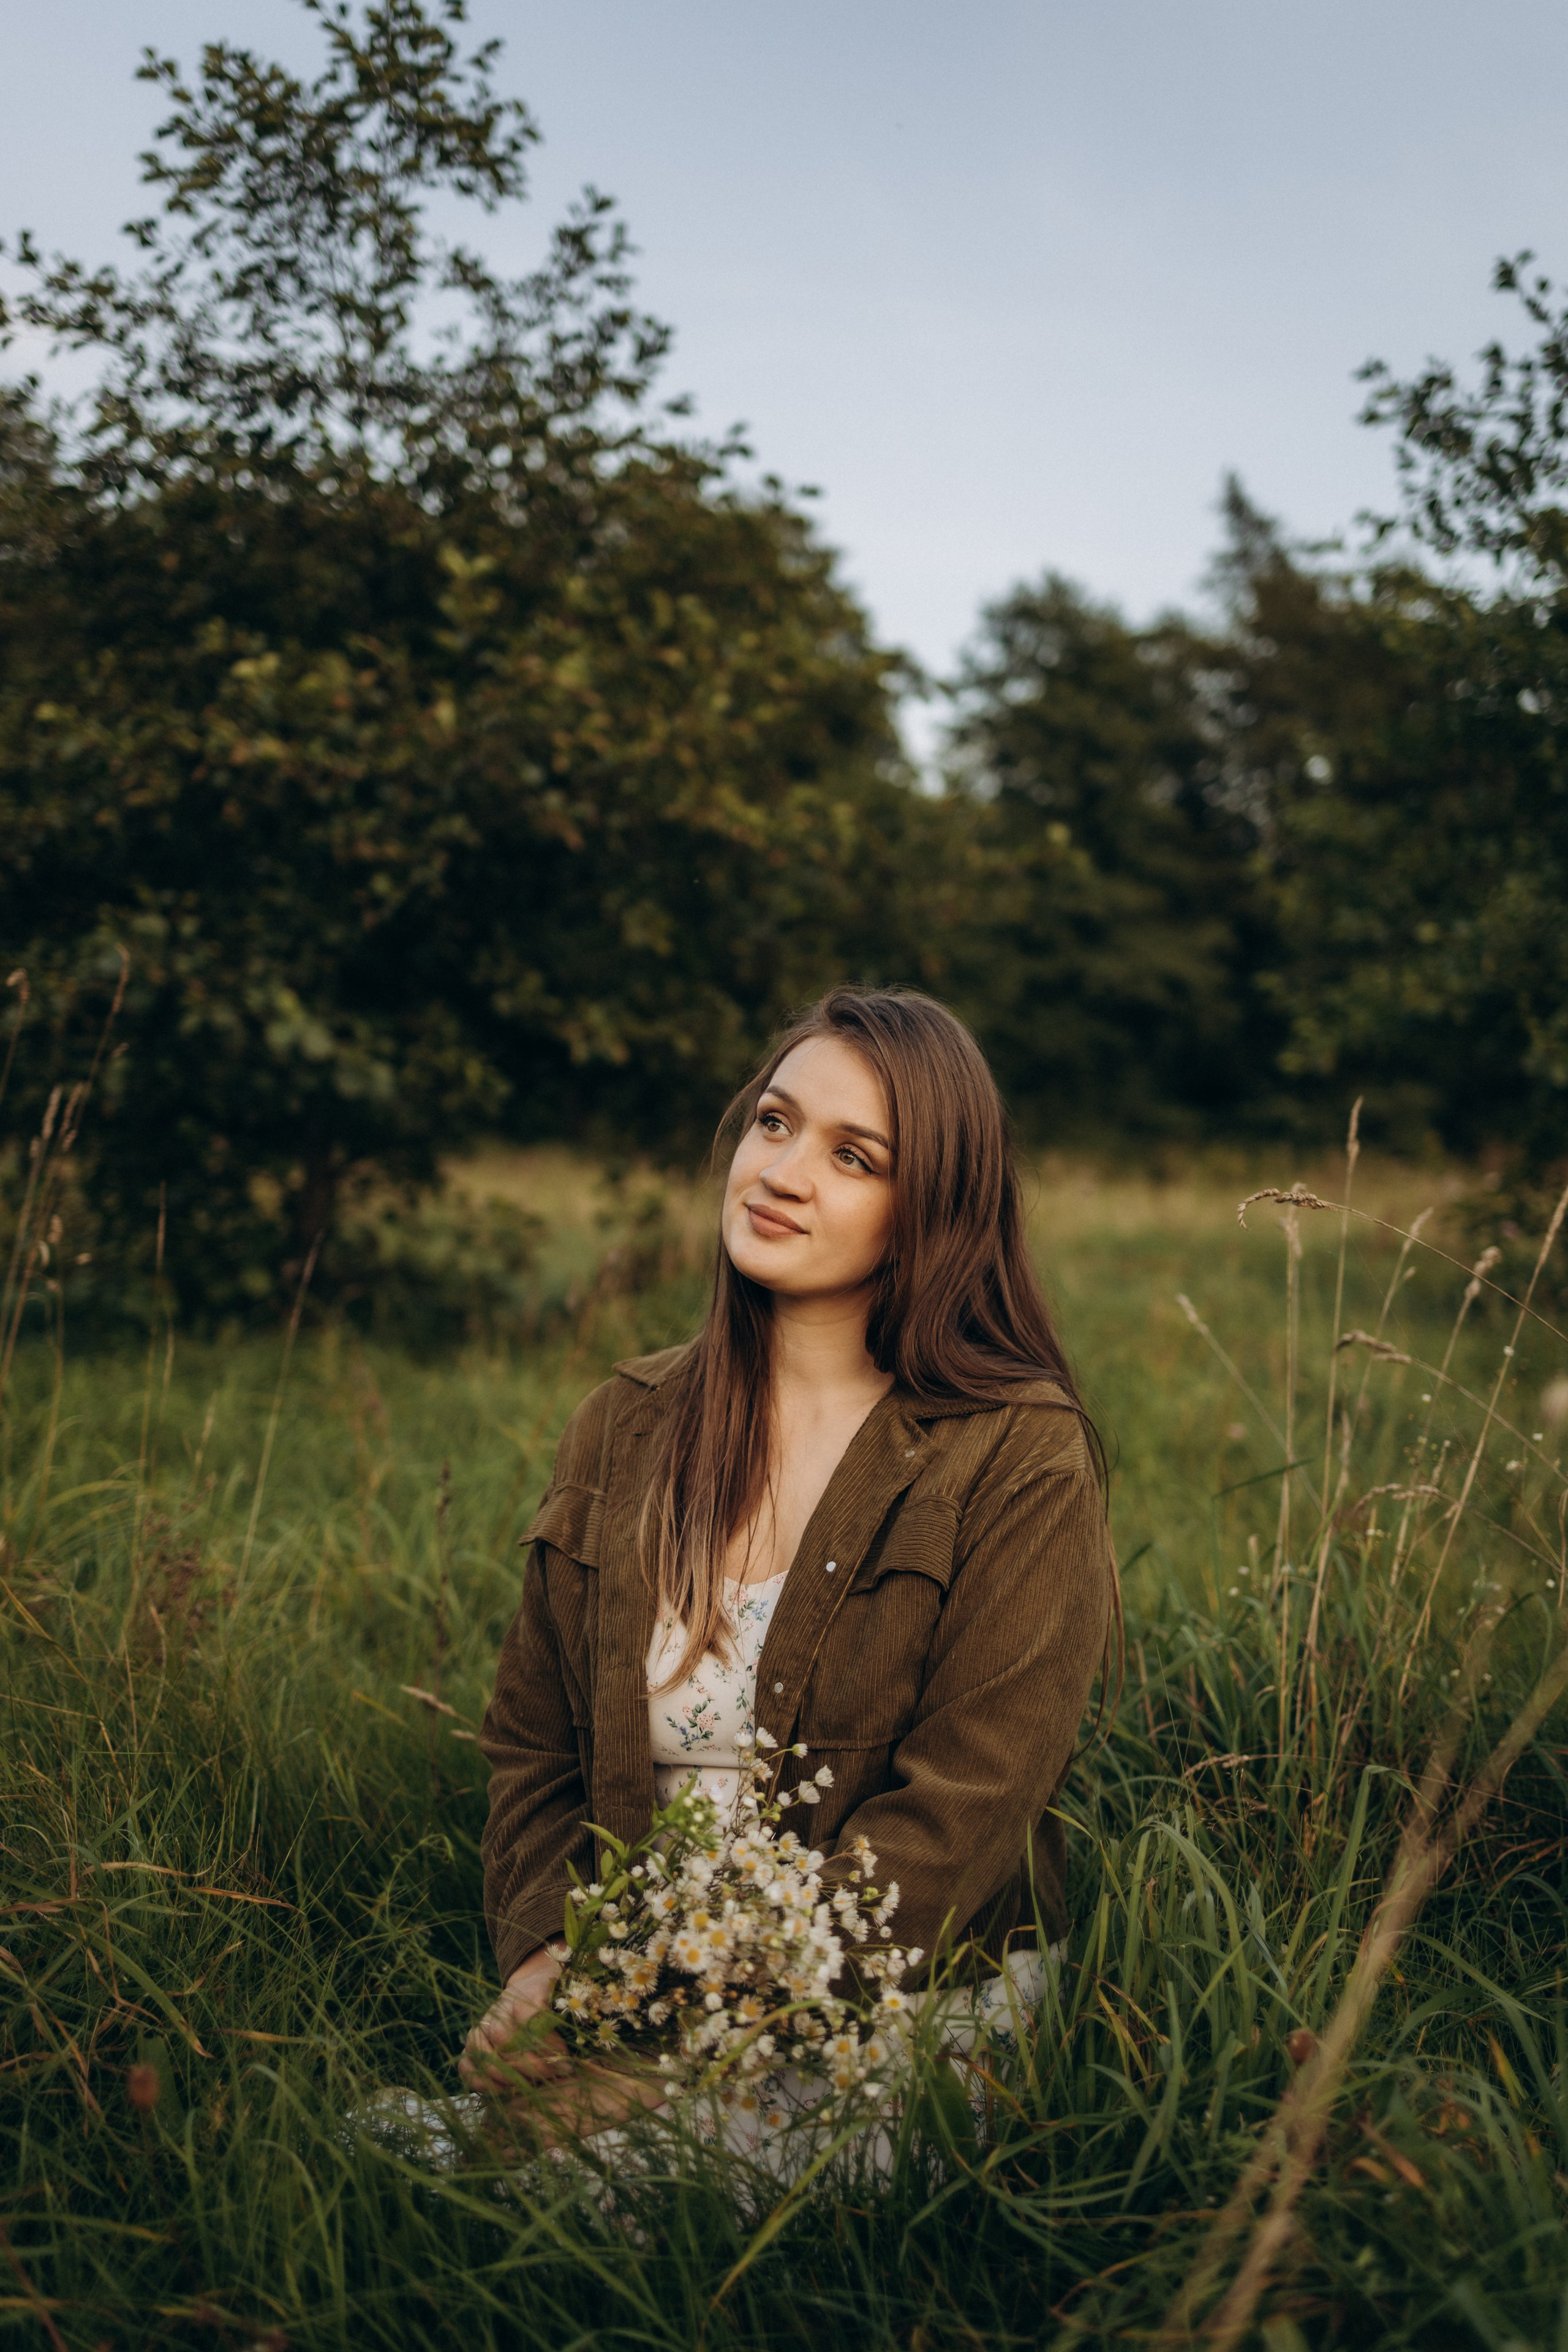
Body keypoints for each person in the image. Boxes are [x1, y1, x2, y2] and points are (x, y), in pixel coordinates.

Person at [461, 986, 1117, 2124]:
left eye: (854, 1157)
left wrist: (663, 2011)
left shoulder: (1017, 1455)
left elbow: (965, 1810)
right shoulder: (623, 1425)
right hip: (625, 1981)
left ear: (931, 1208)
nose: (782, 1172)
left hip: (907, 1996)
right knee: (442, 2171)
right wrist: (546, 1965)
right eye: (775, 1123)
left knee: (598, 2182)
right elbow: (534, 1748)